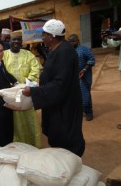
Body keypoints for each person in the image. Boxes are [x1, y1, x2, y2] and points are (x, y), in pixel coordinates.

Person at [22, 19, 85, 157]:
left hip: (65, 105)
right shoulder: (57, 49)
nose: (42, 37)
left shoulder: (65, 53)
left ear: (52, 36)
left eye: (44, 34)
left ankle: (70, 162)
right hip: (57, 103)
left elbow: (60, 84)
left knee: (66, 136)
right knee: (58, 134)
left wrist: (33, 92)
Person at [2, 30, 42, 148]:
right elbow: (2, 71)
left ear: (21, 42)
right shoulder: (4, 55)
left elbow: (35, 68)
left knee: (29, 118)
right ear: (9, 41)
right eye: (14, 39)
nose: (16, 42)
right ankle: (18, 144)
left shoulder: (28, 54)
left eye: (18, 39)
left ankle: (32, 143)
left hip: (27, 91)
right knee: (15, 119)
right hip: (12, 94)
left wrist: (27, 84)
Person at [68, 34, 95, 121]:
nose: (71, 43)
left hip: (84, 76)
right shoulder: (69, 50)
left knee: (85, 95)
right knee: (75, 95)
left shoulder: (84, 49)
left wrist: (84, 70)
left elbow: (91, 59)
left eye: (73, 41)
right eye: (69, 41)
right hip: (74, 77)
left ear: (78, 40)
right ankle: (80, 111)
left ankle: (89, 112)